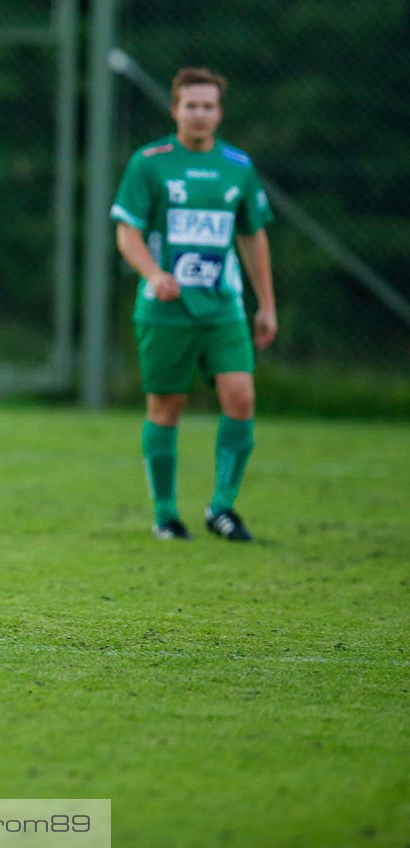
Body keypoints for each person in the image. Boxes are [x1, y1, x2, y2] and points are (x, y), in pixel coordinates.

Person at [111, 66, 277, 542]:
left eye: (208, 106)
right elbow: (128, 232)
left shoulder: (237, 167)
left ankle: (222, 507)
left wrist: (266, 303)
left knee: (241, 396)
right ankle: (166, 514)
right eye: (191, 106)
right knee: (167, 405)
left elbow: (252, 235)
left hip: (223, 306)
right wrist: (154, 273)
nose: (200, 114)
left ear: (219, 112)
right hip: (164, 309)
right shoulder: (150, 162)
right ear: (175, 110)